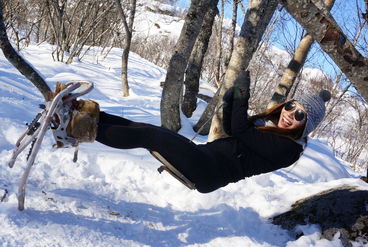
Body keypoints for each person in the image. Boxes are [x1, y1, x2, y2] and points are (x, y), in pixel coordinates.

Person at [67, 71, 331, 193]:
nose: (289, 114)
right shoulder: (269, 126)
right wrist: (231, 102)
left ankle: (75, 128)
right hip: (204, 156)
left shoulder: (289, 150)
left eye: (299, 116)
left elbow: (240, 131)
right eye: (291, 106)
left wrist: (242, 95)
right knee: (149, 130)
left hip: (209, 171)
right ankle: (82, 112)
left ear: (305, 126)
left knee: (152, 138)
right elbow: (232, 129)